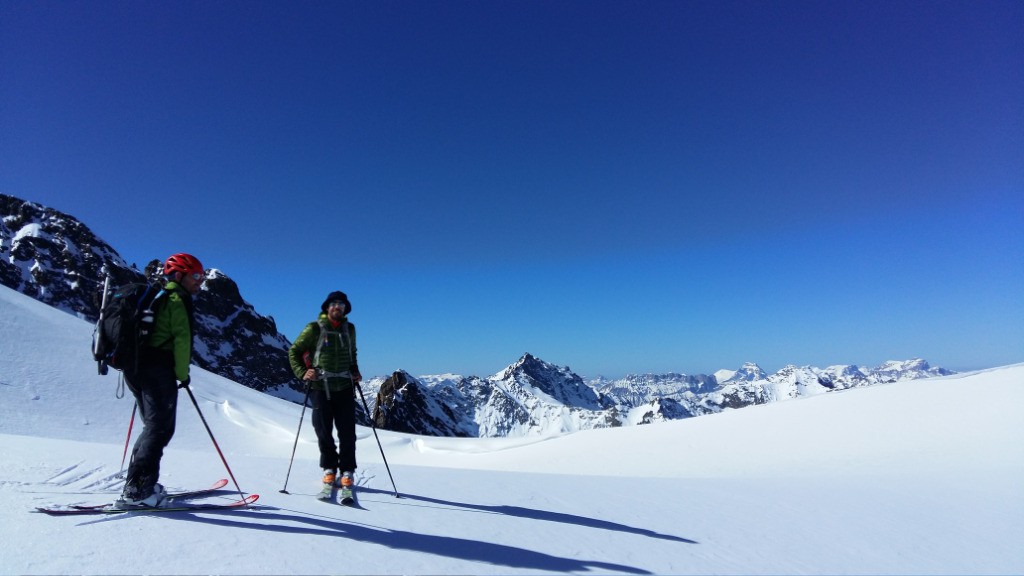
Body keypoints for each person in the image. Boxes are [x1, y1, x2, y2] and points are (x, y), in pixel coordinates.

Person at [119, 253, 204, 507]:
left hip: (137, 368)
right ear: (179, 276)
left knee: (152, 428)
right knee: (160, 428)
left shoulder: (158, 296)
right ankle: (138, 491)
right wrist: (182, 374)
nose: (200, 282)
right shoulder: (177, 299)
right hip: (158, 370)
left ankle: (140, 484)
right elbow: (182, 340)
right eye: (196, 276)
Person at [288, 290, 362, 490]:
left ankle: (347, 471)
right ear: (327, 307)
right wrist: (303, 372)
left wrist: (355, 370)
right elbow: (294, 351)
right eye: (334, 304)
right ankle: (329, 468)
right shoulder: (314, 328)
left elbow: (351, 353)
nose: (338, 307)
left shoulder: (350, 329)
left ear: (346, 308)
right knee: (323, 430)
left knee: (347, 432)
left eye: (341, 304)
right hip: (321, 387)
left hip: (345, 385)